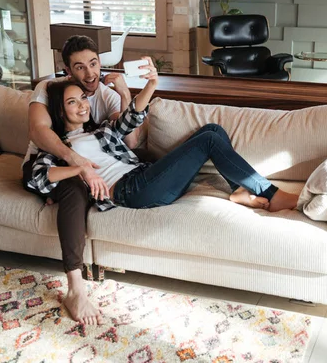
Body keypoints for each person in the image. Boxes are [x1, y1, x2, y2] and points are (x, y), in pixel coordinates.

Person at [27, 69, 300, 296]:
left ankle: (239, 191)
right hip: (130, 191)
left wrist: (152, 84)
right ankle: (271, 195)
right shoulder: (55, 149)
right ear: (59, 112)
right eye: (72, 102)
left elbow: (131, 117)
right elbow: (38, 177)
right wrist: (79, 168)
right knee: (208, 140)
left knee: (212, 131)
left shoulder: (100, 130)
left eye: (82, 98)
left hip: (145, 176)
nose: (82, 105)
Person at [22, 35, 138, 326]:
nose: (90, 74)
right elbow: (39, 131)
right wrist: (78, 164)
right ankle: (75, 288)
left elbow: (131, 141)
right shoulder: (48, 89)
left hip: (84, 164)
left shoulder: (106, 94)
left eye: (93, 64)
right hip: (46, 161)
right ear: (67, 70)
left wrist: (125, 94)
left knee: (82, 185)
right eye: (80, 67)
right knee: (74, 186)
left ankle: (54, 192)